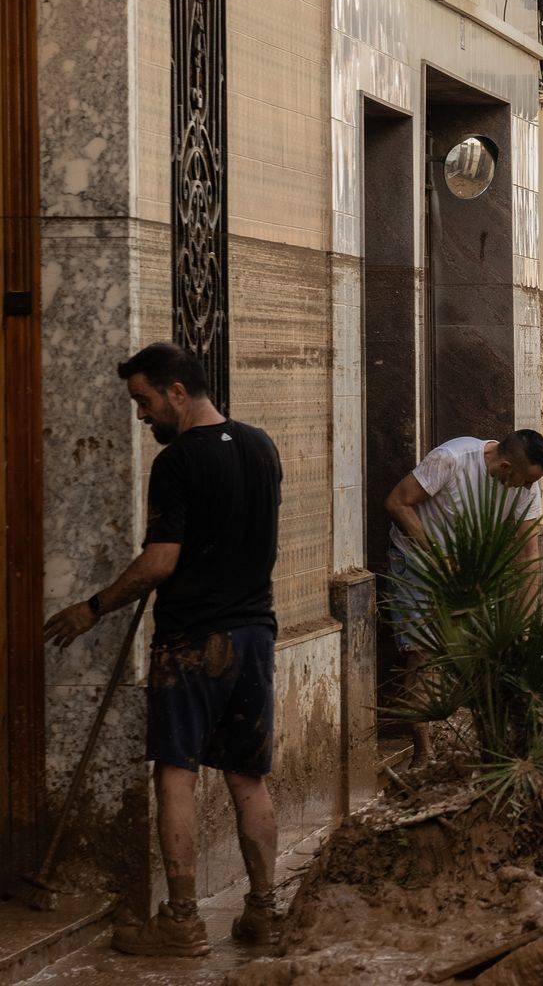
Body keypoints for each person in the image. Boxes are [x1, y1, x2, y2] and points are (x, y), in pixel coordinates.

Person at [44, 343, 284, 956]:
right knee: (248, 776)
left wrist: (91, 607)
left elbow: (161, 560)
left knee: (175, 774)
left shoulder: (178, 463)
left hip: (193, 642)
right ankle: (264, 911)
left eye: (144, 402)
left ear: (177, 392)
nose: (142, 416)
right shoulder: (261, 447)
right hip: (254, 634)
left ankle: (180, 921)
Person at [384, 430, 543, 762]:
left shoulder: (526, 489)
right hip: (417, 560)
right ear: (505, 466)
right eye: (523, 481)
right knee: (423, 650)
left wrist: (526, 620)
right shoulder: (451, 459)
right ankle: (422, 750)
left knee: (481, 649)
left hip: (467, 570)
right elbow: (396, 503)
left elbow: (528, 553)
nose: (529, 489)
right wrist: (437, 558)